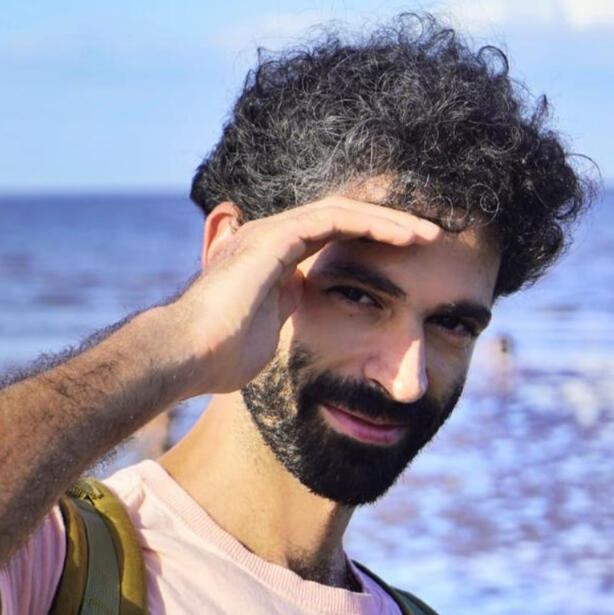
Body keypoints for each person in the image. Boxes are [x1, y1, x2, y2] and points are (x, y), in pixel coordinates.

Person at [0, 12, 591, 615]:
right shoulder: (54, 562)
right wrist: (177, 338)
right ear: (231, 255)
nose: (406, 381)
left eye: (450, 324)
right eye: (358, 296)